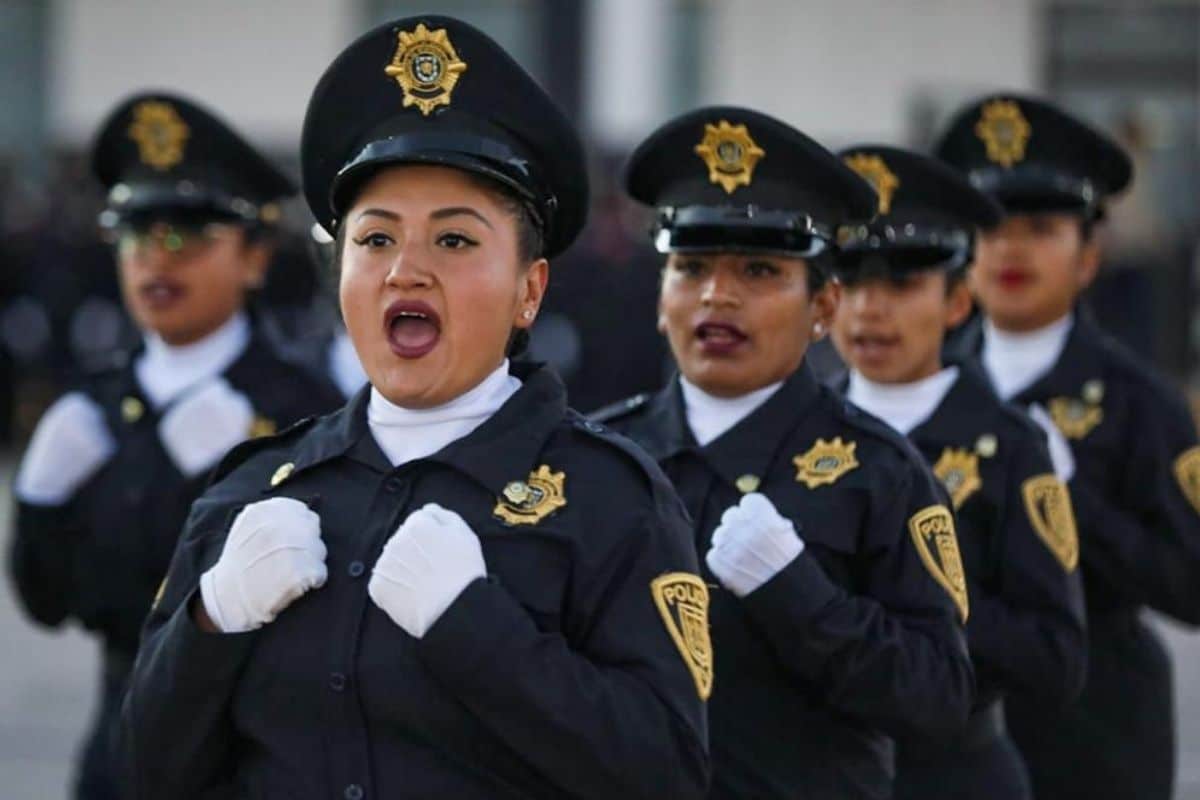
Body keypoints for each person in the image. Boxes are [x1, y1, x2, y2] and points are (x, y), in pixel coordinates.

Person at [121, 16, 709, 800]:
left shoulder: (612, 500)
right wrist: (211, 622)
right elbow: (146, 769)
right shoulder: (257, 490)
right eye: (374, 240)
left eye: (455, 242)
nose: (405, 271)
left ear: (528, 290)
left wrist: (478, 631)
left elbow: (666, 775)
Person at [593, 106, 975, 799]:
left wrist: (801, 598)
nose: (717, 294)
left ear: (824, 307)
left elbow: (939, 698)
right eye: (691, 266)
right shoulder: (597, 460)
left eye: (760, 270)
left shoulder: (880, 473)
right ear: (661, 295)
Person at [7, 92, 344, 800]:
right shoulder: (93, 407)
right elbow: (49, 604)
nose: (157, 259)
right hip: (122, 754)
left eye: (189, 234)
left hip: (256, 758)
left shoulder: (303, 403)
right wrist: (38, 505)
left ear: (254, 256)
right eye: (136, 234)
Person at [937, 93, 1200, 800]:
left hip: (1097, 733)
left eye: (1042, 227)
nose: (1012, 248)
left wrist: (1069, 495)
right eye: (992, 228)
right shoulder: (923, 383)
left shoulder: (1139, 402)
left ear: (1088, 256)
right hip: (949, 737)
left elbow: (1191, 582)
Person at [827, 144, 1087, 799]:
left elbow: (1056, 656)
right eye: (851, 281)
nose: (869, 310)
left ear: (957, 301)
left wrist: (917, 610)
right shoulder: (798, 430)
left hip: (952, 774)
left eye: (902, 284)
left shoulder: (1011, 445)